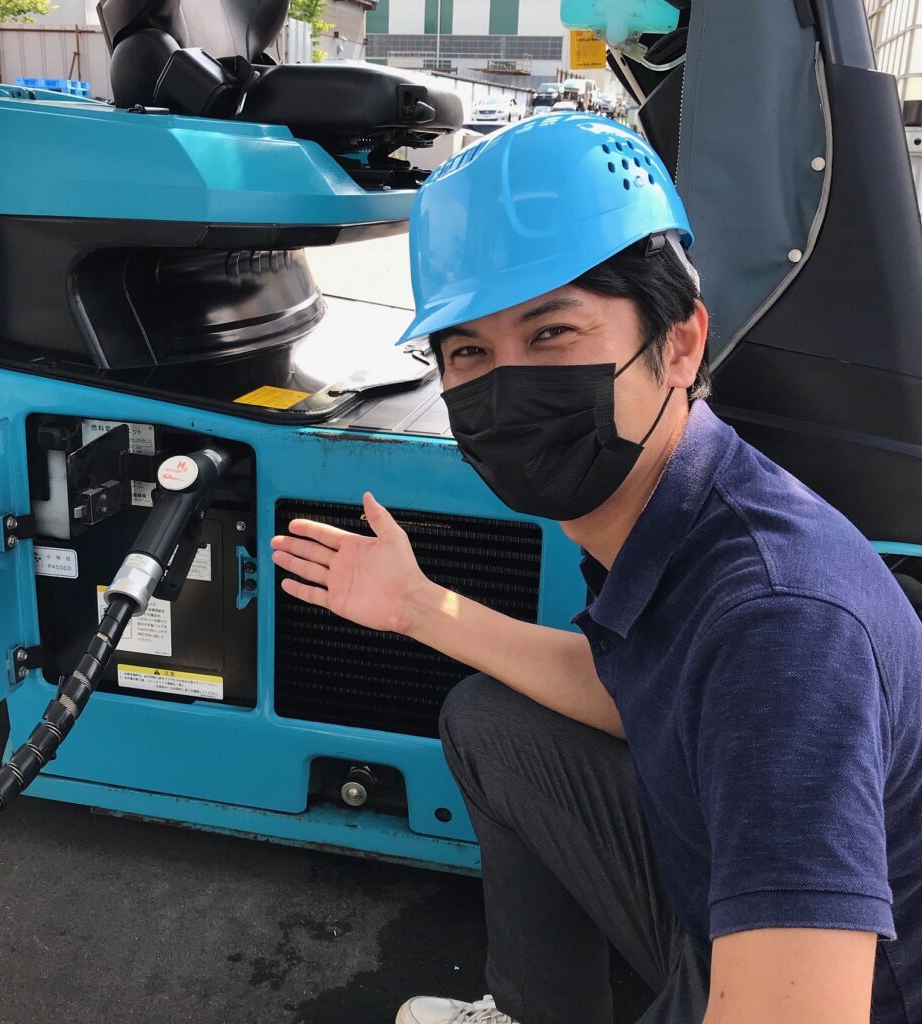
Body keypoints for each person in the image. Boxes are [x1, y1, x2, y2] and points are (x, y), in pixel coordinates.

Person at [270, 115, 922, 1024]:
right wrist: (419, 606)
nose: (507, 386)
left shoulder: (782, 629)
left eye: (552, 333)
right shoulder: (662, 505)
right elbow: (642, 690)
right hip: (707, 901)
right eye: (469, 351)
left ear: (680, 343)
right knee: (492, 720)